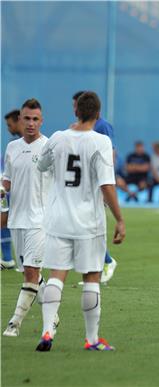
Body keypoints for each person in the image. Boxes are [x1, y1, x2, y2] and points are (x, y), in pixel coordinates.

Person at [35, 91, 125, 352]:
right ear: (97, 115)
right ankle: (92, 339)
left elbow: (41, 166)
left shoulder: (57, 138)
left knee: (55, 276)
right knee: (91, 278)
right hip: (89, 221)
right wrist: (120, 219)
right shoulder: (100, 142)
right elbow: (107, 185)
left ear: (76, 111)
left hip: (58, 218)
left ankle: (47, 332)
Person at [2, 99, 54, 337]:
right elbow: (7, 183)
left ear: (41, 121)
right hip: (17, 220)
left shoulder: (50, 147)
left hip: (41, 221)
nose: (31, 123)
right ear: (20, 120)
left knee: (32, 271)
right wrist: (2, 200)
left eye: (35, 119)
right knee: (31, 274)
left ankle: (14, 323)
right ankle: (52, 318)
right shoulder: (12, 148)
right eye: (27, 119)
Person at [72, 91, 118, 283]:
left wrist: (105, 184)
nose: (75, 109)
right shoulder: (79, 129)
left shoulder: (102, 126)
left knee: (90, 227)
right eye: (74, 105)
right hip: (82, 187)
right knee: (82, 227)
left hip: (98, 186)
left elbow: (110, 154)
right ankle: (100, 265)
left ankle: (104, 263)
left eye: (77, 105)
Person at [1, 110, 22, 270]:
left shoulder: (34, 143)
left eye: (10, 125)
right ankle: (8, 258)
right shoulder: (14, 144)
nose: (8, 128)